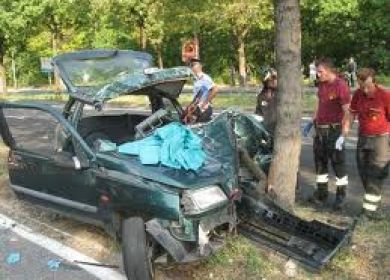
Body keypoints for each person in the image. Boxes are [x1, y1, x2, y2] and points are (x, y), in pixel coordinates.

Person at [304, 58, 351, 209]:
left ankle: (341, 196)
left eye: (320, 71)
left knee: (338, 165)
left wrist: (343, 135)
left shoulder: (340, 86)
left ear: (329, 70)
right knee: (320, 165)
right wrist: (312, 121)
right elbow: (319, 105)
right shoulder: (322, 85)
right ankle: (321, 194)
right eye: (317, 71)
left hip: (334, 131)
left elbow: (347, 112)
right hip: (320, 130)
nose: (317, 75)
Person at [348, 68, 389, 219]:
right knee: (363, 172)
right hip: (363, 138)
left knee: (375, 174)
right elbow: (352, 112)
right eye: (361, 86)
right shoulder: (358, 95)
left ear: (374, 81)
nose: (365, 90)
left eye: (367, 86)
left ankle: (368, 212)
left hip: (381, 140)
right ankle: (373, 207)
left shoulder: (384, 96)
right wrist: (345, 131)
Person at [185, 59, 218, 123]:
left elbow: (215, 89)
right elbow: (198, 95)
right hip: (198, 108)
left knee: (199, 128)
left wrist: (205, 102)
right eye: (190, 65)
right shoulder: (197, 79)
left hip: (204, 109)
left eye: (193, 65)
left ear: (200, 66)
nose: (191, 67)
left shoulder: (204, 78)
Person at [255, 68, 277, 133]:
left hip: (279, 131)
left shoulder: (282, 95)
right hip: (266, 131)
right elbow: (258, 113)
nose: (274, 81)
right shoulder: (261, 96)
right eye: (272, 79)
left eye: (275, 78)